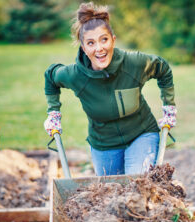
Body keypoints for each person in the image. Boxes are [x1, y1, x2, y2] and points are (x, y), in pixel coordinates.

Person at [43, 2, 176, 176]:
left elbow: (163, 69)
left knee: (138, 183)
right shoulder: (75, 75)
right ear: (83, 48)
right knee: (110, 193)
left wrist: (169, 107)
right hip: (103, 144)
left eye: (104, 40)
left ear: (113, 39)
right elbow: (50, 76)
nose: (99, 49)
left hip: (141, 134)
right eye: (91, 43)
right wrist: (53, 112)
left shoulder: (133, 63)